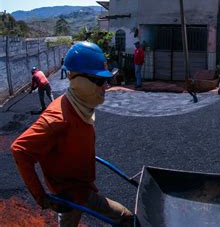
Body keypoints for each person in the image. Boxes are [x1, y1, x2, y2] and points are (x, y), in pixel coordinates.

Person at [11, 42, 134, 226]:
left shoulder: (81, 106)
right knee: (123, 218)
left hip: (84, 189)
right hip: (70, 195)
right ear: (78, 80)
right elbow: (20, 149)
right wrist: (42, 197)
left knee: (125, 217)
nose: (105, 86)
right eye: (99, 81)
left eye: (106, 81)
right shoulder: (57, 119)